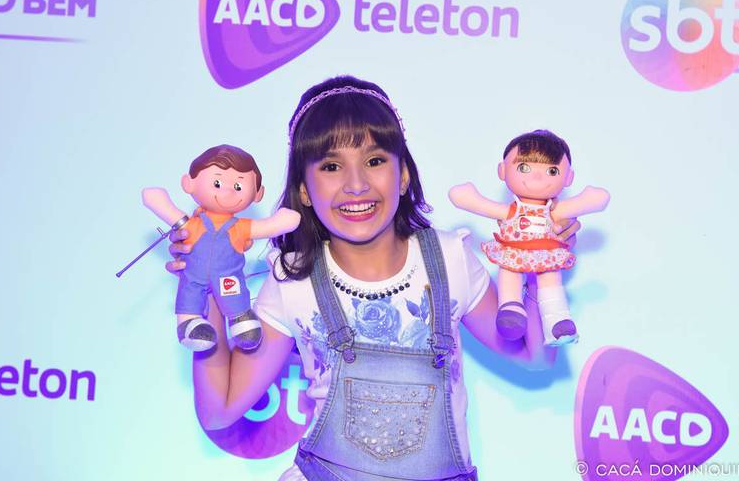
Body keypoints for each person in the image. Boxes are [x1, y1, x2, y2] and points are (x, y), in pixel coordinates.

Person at [166, 76, 579, 480]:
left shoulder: (450, 257)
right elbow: (220, 409)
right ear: (304, 189)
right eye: (331, 166)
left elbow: (535, 357)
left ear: (403, 174)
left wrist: (539, 264)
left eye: (375, 161)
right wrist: (205, 278)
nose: (356, 184)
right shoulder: (293, 278)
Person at [449, 130, 609, 346]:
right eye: (524, 168)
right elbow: (482, 205)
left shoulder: (555, 212)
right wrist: (470, 198)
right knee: (509, 272)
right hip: (513, 251)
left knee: (550, 279)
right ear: (502, 171)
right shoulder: (512, 211)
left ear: (568, 178)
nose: (537, 178)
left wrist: (589, 200)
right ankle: (510, 309)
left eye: (552, 171)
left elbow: (589, 202)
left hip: (547, 253)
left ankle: (557, 321)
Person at [143, 144, 300, 351]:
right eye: (217, 183)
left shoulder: (240, 227)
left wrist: (281, 221)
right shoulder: (192, 224)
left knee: (234, 295)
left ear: (258, 194)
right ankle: (190, 323)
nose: (228, 191)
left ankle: (240, 318)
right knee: (190, 292)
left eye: (238, 186)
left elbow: (269, 226)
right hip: (192, 276)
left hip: (228, 279)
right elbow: (164, 208)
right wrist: (159, 201)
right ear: (188, 184)